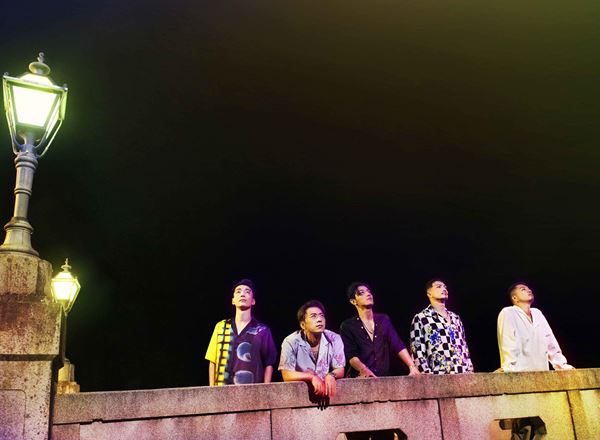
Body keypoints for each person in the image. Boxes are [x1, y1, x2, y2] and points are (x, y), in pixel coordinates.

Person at [205, 279, 278, 386]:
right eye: (238, 291)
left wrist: (265, 390)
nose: (242, 294)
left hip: (252, 391)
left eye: (247, 292)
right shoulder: (221, 326)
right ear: (233, 300)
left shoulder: (262, 330)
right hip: (222, 390)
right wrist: (212, 390)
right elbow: (212, 361)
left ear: (253, 301)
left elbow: (269, 363)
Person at [340, 282, 419, 377]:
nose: (368, 294)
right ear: (353, 301)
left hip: (383, 379)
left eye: (369, 291)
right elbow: (351, 355)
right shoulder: (348, 326)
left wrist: (412, 366)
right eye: (361, 293)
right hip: (359, 380)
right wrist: (364, 370)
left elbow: (397, 344)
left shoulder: (383, 320)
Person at [497, 282, 573, 372]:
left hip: (542, 372)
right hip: (519, 373)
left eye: (529, 289)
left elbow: (550, 342)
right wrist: (508, 368)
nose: (529, 290)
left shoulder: (537, 313)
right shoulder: (508, 312)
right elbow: (507, 341)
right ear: (514, 298)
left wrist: (562, 365)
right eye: (523, 289)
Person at [279, 300, 345, 397]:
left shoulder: (334, 338)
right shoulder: (290, 341)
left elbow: (340, 369)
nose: (319, 319)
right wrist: (311, 377)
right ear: (303, 324)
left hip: (325, 393)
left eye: (321, 315)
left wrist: (331, 375)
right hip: (299, 394)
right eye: (313, 316)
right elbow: (287, 374)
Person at [410, 279, 474, 374]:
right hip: (438, 375)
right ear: (429, 293)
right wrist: (425, 373)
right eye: (439, 287)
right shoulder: (421, 318)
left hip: (462, 373)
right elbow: (417, 349)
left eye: (445, 287)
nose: (444, 289)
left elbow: (464, 346)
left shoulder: (455, 318)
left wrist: (470, 369)